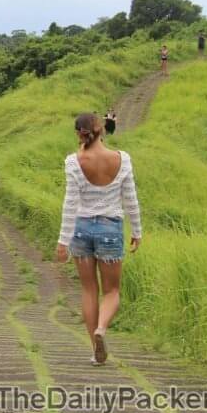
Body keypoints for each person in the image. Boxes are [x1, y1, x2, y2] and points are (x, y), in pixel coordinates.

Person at [55, 112, 142, 366]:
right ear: (101, 130)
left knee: (88, 289)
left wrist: (62, 241)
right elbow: (130, 199)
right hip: (110, 229)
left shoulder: (73, 162)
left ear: (79, 133)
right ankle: (101, 328)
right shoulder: (122, 160)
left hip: (81, 230)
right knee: (112, 291)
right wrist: (137, 231)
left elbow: (70, 204)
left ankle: (95, 350)